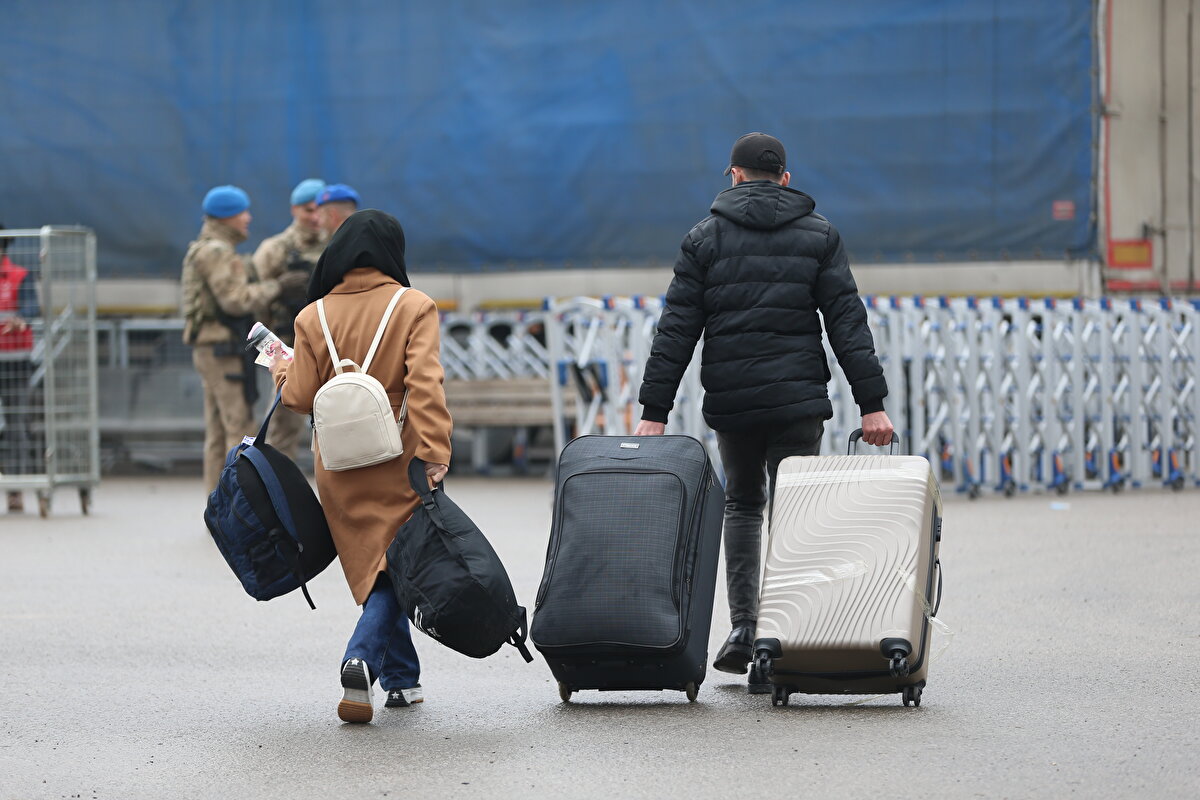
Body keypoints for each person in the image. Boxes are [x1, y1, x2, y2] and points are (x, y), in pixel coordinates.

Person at [634, 132, 894, 691]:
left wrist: (654, 411)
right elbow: (847, 323)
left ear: (733, 175)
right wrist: (871, 405)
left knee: (743, 505)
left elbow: (676, 329)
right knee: (794, 514)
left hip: (734, 402)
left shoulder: (703, 238)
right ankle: (783, 639)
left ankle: (745, 630)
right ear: (785, 177)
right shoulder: (819, 235)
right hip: (799, 401)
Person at [270, 209, 452, 724]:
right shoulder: (414, 306)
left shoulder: (313, 315)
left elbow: (300, 396)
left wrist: (283, 371)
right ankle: (361, 657)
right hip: (400, 456)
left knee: (378, 562)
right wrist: (435, 452)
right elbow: (426, 386)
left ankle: (401, 680)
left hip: (339, 462)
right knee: (398, 561)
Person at [181, 185, 309, 492]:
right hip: (221, 349)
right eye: (243, 213)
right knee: (240, 428)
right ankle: (239, 505)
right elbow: (234, 300)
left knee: (217, 430)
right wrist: (276, 287)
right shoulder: (217, 252)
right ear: (227, 216)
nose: (248, 219)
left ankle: (219, 503)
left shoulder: (207, 248)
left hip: (214, 348)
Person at [251, 178, 330, 457]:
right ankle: (277, 486)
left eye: (320, 209)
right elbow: (254, 298)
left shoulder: (335, 245)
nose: (315, 217)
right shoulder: (275, 250)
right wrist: (280, 287)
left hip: (328, 344)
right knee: (283, 418)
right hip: (285, 342)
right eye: (309, 210)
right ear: (294, 210)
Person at [0, 226, 40, 513]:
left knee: (16, 425)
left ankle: (14, 488)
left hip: (15, 361)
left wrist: (20, 318)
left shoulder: (19, 276)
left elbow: (31, 307)